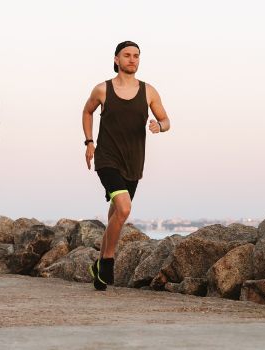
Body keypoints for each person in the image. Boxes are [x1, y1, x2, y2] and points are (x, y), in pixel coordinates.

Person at [81, 41, 172, 291]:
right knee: (123, 208)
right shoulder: (102, 89)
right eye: (127, 55)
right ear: (116, 59)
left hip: (134, 162)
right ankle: (108, 261)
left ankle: (97, 267)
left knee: (115, 214)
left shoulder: (149, 91)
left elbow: (166, 120)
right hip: (107, 159)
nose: (132, 59)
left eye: (136, 56)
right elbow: (87, 112)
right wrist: (89, 141)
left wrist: (159, 126)